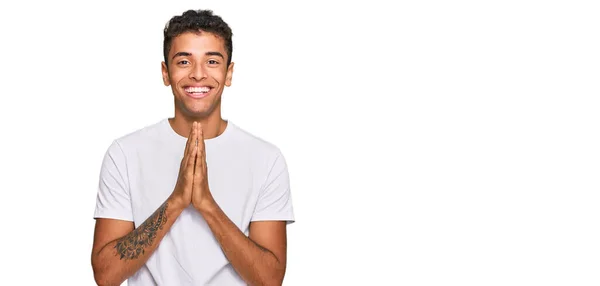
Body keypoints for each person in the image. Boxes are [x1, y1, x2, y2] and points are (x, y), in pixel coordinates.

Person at [91, 9, 295, 286]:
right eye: (184, 61)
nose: (198, 74)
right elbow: (105, 275)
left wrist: (206, 204)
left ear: (229, 72)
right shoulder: (125, 154)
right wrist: (176, 201)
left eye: (212, 61)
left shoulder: (266, 159)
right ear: (165, 72)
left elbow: (271, 279)